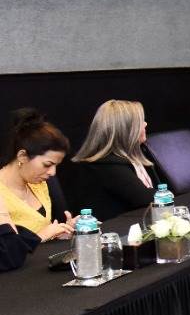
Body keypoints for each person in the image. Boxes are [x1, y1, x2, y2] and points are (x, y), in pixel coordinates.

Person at [64, 100, 169, 221]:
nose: (145, 124)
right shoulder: (106, 165)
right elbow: (148, 199)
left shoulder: (137, 155)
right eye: (140, 122)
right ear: (126, 130)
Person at [0, 110, 76, 271]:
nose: (52, 173)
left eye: (56, 166)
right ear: (22, 156)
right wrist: (41, 236)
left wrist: (62, 230)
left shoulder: (39, 183)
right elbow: (8, 252)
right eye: (47, 165)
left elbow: (44, 230)